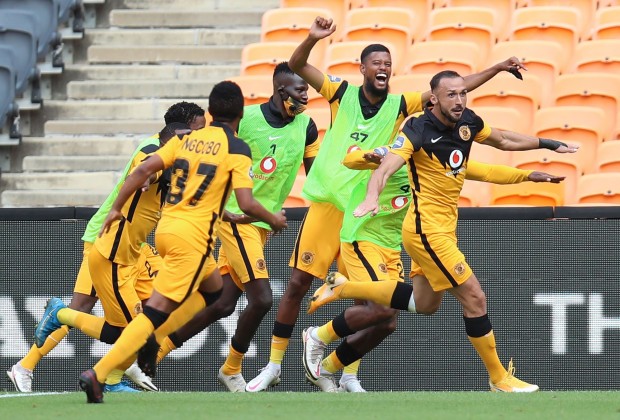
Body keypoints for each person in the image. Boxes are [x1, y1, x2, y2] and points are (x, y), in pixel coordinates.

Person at [247, 15, 528, 392]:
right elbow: (297, 66)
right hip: (330, 205)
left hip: (366, 212)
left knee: (377, 303)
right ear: (362, 68)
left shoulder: (400, 105)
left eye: (388, 64)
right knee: (298, 283)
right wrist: (313, 38)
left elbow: (452, 91)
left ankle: (345, 373)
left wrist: (495, 69)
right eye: (376, 63)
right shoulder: (339, 92)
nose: (383, 68)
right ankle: (273, 366)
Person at [307, 70, 579, 392]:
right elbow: (385, 165)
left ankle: (340, 301)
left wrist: (545, 149)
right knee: (475, 298)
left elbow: (501, 143)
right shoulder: (416, 130)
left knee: (425, 305)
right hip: (425, 231)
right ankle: (498, 379)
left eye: (463, 93)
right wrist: (370, 198)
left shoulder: (468, 125)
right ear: (433, 98)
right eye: (451, 94)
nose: (460, 100)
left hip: (442, 230)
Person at [71, 80, 287, 403]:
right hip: (194, 240)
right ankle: (100, 373)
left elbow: (145, 168)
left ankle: (154, 341)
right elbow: (246, 201)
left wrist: (116, 206)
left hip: (167, 229)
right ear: (241, 114)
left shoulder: (188, 139)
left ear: (211, 112)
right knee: (155, 313)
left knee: (215, 291)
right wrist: (273, 219)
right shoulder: (237, 148)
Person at [6, 102, 206, 393]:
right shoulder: (154, 150)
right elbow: (142, 175)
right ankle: (45, 365)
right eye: (199, 130)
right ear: (183, 128)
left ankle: (107, 373)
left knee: (151, 312)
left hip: (132, 246)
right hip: (107, 237)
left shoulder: (172, 151)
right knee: (102, 315)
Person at [149, 62, 319, 393]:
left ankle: (156, 350)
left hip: (260, 227)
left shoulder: (307, 127)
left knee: (224, 303)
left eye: (308, 89)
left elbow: (315, 175)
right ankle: (231, 368)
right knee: (262, 298)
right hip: (237, 218)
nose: (306, 94)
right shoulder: (247, 121)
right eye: (300, 89)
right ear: (281, 91)